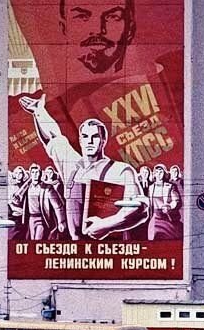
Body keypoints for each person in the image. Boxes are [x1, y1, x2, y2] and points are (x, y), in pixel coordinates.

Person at [19, 93, 149, 240]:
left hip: (110, 250)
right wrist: (38, 112)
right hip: (77, 251)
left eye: (95, 137)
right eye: (86, 137)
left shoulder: (120, 171)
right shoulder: (72, 166)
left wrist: (105, 224)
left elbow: (141, 208)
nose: (90, 141)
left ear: (103, 140)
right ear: (80, 140)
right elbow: (53, 137)